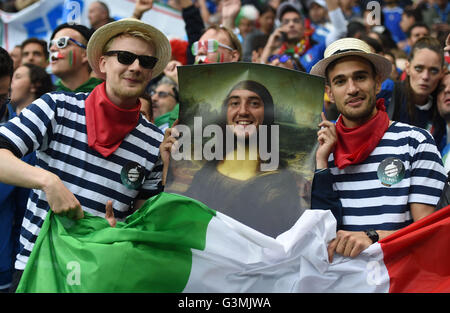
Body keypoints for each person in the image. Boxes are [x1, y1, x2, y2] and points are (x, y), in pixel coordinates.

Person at [0, 18, 171, 292]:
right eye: (126, 57)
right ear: (103, 63)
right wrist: (48, 181)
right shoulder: (56, 107)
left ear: (151, 73)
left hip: (100, 274)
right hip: (39, 267)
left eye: (146, 62)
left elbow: (143, 222)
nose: (136, 67)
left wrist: (123, 229)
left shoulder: (154, 142)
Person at [310, 37, 446, 261]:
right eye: (341, 81)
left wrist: (373, 237)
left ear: (378, 83)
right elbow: (318, 235)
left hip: (397, 279)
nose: (352, 89)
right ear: (330, 92)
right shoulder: (317, 150)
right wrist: (322, 165)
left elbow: (431, 234)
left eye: (360, 77)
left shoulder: (415, 141)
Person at [179, 80, 304, 237]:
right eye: (234, 103)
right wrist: (166, 168)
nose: (243, 111)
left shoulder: (280, 179)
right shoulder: (210, 166)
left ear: (267, 114)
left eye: (254, 104)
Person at [386, 36, 446, 150]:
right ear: (407, 67)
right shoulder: (387, 91)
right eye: (419, 68)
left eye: (433, 70)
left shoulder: (441, 109)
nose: (425, 77)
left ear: (442, 73)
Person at [260, 2, 325, 73]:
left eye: (296, 21)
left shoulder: (318, 48)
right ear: (280, 28)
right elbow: (260, 73)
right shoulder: (277, 56)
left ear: (304, 27)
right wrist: (269, 46)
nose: (291, 24)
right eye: (286, 22)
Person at [49, 23, 103, 92]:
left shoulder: (108, 95)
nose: (52, 49)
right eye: (51, 44)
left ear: (86, 54)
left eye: (62, 43)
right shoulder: (45, 99)